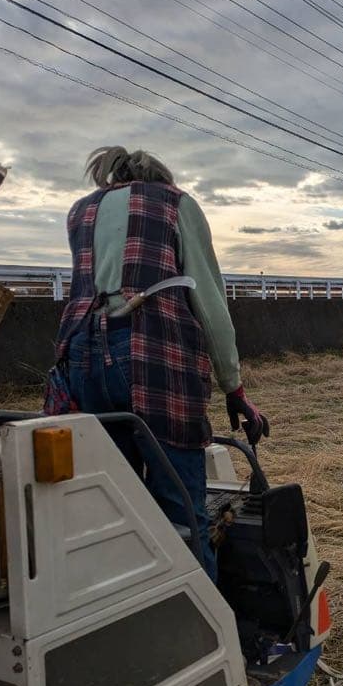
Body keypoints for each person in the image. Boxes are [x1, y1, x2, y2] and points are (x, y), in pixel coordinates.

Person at [48, 145, 269, 582]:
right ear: (161, 177)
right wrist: (234, 386)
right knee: (182, 510)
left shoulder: (80, 212)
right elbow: (208, 300)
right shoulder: (176, 202)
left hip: (82, 355)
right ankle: (202, 627)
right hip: (153, 357)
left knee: (117, 507)